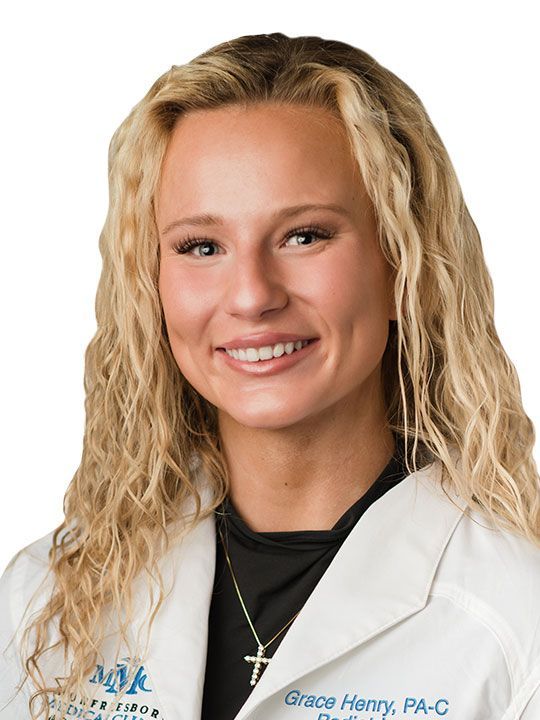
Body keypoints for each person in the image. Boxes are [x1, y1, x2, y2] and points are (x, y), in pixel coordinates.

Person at [1, 31, 539, 720]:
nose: (252, 294)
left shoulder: (519, 615)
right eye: (202, 246)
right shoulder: (43, 601)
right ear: (151, 287)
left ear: (404, 262)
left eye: (304, 235)